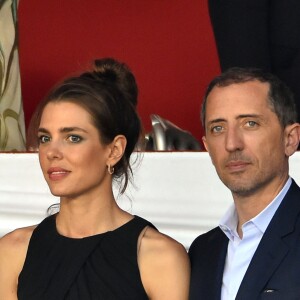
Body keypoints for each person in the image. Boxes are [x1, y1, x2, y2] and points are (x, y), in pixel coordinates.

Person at [0, 58, 190, 299]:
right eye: (45, 138)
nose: (52, 152)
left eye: (73, 138)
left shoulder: (159, 257)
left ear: (114, 150)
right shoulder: (12, 251)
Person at [189, 67, 300, 299]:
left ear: (290, 139)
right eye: (218, 128)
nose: (232, 143)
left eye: (250, 123)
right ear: (207, 147)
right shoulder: (202, 252)